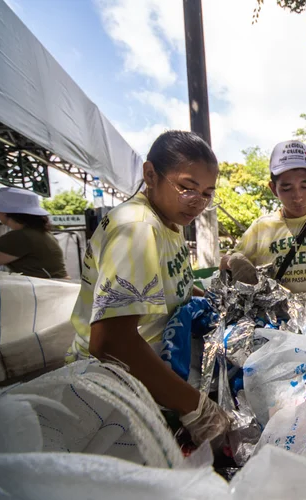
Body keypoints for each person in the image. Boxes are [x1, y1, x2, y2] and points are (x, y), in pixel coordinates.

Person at [67, 130, 228, 446]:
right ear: (150, 174)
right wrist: (196, 407)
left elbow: (173, 282)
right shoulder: (138, 229)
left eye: (208, 193)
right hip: (116, 386)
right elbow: (111, 342)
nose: (198, 201)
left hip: (153, 369)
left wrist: (208, 298)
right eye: (186, 187)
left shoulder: (169, 222)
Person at [223, 140, 306, 293]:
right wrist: (238, 266)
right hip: (279, 314)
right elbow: (228, 261)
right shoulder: (261, 227)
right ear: (273, 189)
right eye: (286, 188)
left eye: (305, 186)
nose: (298, 196)